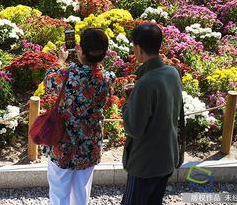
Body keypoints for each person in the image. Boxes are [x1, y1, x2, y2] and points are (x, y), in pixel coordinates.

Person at [43, 28, 115, 205]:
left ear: (81, 50)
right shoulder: (108, 77)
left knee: (59, 191)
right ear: (104, 53)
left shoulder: (68, 74)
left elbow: (49, 82)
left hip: (63, 141)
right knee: (82, 191)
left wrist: (60, 60)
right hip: (89, 143)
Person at [121, 23, 183, 205]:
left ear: (138, 48)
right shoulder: (172, 72)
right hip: (167, 157)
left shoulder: (145, 83)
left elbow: (134, 129)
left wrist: (128, 102)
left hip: (145, 163)